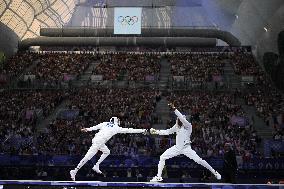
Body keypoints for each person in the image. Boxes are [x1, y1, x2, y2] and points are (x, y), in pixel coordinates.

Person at [150, 103, 221, 182]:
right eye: (178, 119)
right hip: (177, 148)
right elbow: (167, 132)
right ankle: (159, 176)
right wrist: (156, 131)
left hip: (186, 148)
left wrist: (174, 109)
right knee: (162, 157)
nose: (179, 120)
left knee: (199, 160)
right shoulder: (176, 126)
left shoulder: (188, 126)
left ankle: (215, 172)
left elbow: (181, 117)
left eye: (180, 119)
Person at [70, 117, 147, 181]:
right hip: (98, 142)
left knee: (107, 151)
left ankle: (96, 165)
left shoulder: (105, 123)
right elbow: (130, 130)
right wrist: (142, 130)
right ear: (117, 121)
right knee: (87, 157)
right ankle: (74, 171)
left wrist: (87, 129)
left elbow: (95, 127)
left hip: (97, 140)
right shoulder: (116, 128)